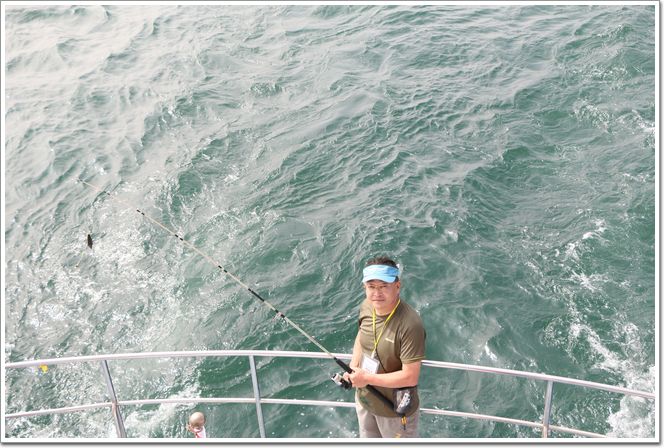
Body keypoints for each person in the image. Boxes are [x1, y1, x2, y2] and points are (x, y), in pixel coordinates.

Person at [343, 256, 426, 438]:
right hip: (365, 401)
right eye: (371, 287)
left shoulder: (410, 324)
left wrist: (367, 378)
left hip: (394, 411)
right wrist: (353, 366)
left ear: (398, 286)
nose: (377, 293)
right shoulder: (367, 306)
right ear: (364, 287)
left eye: (383, 286)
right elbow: (361, 335)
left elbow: (410, 377)